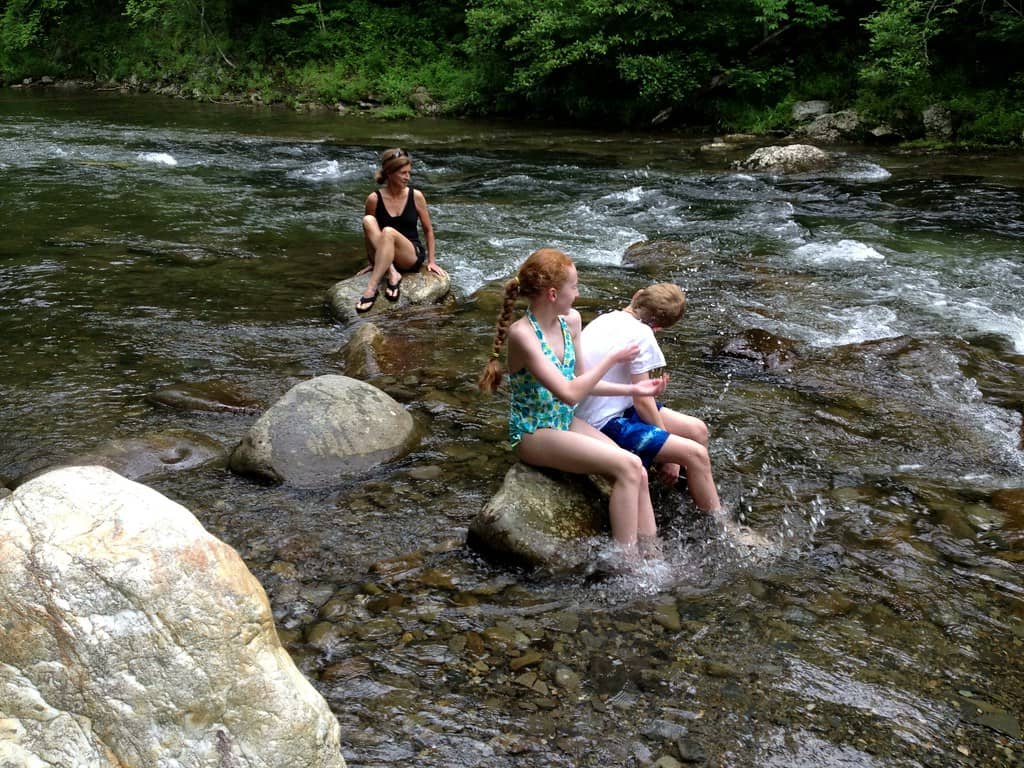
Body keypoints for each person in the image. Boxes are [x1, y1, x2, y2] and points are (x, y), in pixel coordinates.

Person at [478, 248, 669, 558]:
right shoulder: (523, 334)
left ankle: (654, 556)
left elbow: (583, 381)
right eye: (574, 286)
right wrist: (611, 360)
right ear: (553, 293)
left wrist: (633, 389)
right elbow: (569, 392)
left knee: (640, 471)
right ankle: (628, 563)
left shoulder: (572, 321)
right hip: (533, 432)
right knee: (628, 466)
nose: (578, 293)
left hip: (564, 422)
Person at [575, 283, 723, 514]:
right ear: (659, 327)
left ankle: (688, 494)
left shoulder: (607, 318)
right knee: (696, 454)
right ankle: (719, 523)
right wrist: (671, 457)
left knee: (697, 430)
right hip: (603, 420)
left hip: (607, 405)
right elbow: (642, 401)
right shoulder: (643, 335)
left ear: (636, 294)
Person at [356, 147, 446, 314]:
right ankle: (391, 272)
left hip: (410, 254)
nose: (408, 177)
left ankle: (371, 287)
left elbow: (428, 230)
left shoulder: (416, 195)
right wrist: (372, 261)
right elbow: (369, 233)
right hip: (385, 253)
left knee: (388, 231)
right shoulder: (374, 199)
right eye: (403, 173)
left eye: (409, 173)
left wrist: (432, 262)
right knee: (368, 220)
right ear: (390, 174)